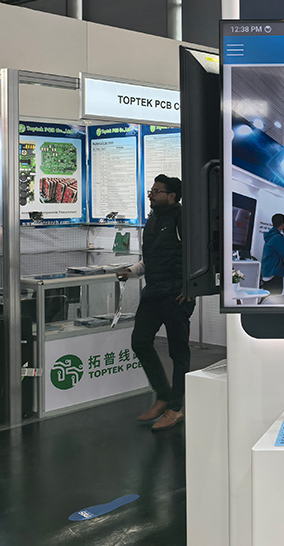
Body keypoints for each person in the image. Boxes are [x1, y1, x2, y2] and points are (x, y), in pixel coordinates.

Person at [117, 175, 194, 432]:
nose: (151, 194)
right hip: (153, 293)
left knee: (178, 353)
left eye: (157, 191)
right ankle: (163, 395)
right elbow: (151, 259)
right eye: (151, 190)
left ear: (172, 196)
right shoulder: (153, 220)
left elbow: (196, 255)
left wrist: (191, 287)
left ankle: (175, 407)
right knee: (139, 341)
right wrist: (132, 271)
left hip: (176, 296)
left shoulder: (182, 219)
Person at [261, 213, 284, 294]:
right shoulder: (278, 237)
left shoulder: (270, 236)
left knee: (267, 297)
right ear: (282, 224)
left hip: (267, 271)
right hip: (274, 273)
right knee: (275, 297)